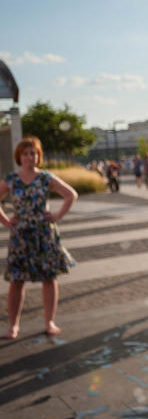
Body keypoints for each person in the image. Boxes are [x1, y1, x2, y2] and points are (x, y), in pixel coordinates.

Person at [0, 137, 77, 339]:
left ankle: (49, 322)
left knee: (49, 278)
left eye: (33, 153)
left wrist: (58, 215)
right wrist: (5, 220)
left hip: (44, 234)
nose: (29, 157)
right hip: (21, 236)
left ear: (38, 156)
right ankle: (13, 326)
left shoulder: (45, 178)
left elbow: (71, 194)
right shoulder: (12, 179)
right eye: (25, 153)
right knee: (17, 281)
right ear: (19, 156)